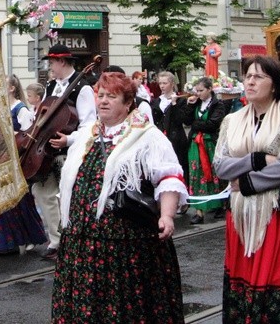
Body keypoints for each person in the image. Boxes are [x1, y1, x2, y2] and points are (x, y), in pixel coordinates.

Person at [52, 72, 187, 323]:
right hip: (81, 245)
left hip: (125, 247)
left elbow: (168, 177)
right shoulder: (87, 135)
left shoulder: (147, 136)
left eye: (111, 96)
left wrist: (167, 216)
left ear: (128, 104)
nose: (103, 101)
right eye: (100, 95)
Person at [213, 55, 280, 323]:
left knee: (273, 277)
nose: (250, 81)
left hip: (276, 214)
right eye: (247, 76)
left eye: (258, 77)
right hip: (241, 216)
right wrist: (257, 159)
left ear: (276, 85)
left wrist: (246, 182)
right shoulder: (232, 121)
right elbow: (220, 166)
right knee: (242, 278)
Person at [34, 44, 96, 261]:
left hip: (69, 151)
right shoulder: (51, 86)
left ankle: (71, 240)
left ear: (61, 62)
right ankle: (55, 238)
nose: (50, 67)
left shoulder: (83, 88)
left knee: (66, 196)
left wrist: (68, 140)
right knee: (42, 192)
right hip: (47, 151)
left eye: (51, 63)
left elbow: (89, 125)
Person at [0, 75, 47, 255]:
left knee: (19, 203)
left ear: (11, 88)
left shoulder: (21, 109)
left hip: (14, 159)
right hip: (0, 158)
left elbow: (28, 136)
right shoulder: (1, 107)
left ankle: (26, 237)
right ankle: (5, 242)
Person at [182, 76, 226, 224]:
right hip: (195, 143)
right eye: (197, 90)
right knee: (195, 175)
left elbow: (212, 124)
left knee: (213, 174)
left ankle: (219, 204)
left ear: (209, 89)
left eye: (201, 90)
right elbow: (186, 121)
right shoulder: (196, 103)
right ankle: (199, 211)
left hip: (209, 143)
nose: (198, 93)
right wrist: (189, 106)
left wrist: (196, 124)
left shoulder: (218, 104)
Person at [153, 71, 189, 189]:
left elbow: (182, 120)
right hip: (160, 138)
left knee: (178, 164)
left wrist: (174, 104)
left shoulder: (180, 100)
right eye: (160, 83)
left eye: (165, 83)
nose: (162, 86)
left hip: (176, 138)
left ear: (172, 84)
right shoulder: (157, 101)